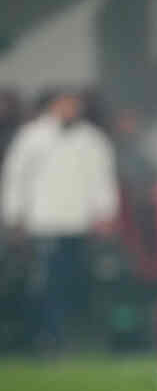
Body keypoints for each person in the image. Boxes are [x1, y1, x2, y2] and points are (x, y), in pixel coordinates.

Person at [0, 88, 119, 350]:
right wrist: (14, 215)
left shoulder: (91, 139)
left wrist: (106, 212)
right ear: (53, 106)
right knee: (45, 283)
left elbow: (102, 179)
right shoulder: (32, 137)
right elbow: (16, 177)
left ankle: (73, 337)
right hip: (43, 222)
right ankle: (46, 337)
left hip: (79, 222)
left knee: (76, 281)